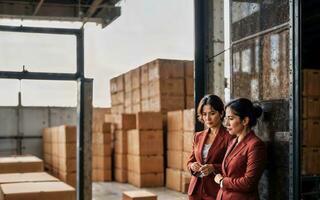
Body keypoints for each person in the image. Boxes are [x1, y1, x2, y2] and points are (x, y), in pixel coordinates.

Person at [214, 98, 266, 200]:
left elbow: (249, 183)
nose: (226, 123)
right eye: (226, 118)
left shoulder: (255, 145)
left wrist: (222, 181)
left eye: (231, 118)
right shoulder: (233, 141)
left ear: (245, 121)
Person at [187, 94, 234, 200]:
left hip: (215, 190)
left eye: (212, 113)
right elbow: (190, 161)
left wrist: (213, 167)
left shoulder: (229, 137)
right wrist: (192, 166)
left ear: (221, 113)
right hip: (195, 190)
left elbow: (232, 166)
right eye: (204, 114)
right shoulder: (198, 136)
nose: (207, 118)